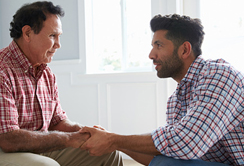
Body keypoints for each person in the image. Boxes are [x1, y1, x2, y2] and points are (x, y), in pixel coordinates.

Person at [0, 1, 122, 166]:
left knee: (108, 153)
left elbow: (57, 122)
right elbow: (8, 140)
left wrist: (86, 132)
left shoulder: (46, 73)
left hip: (35, 146)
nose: (58, 44)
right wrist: (70, 139)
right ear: (27, 33)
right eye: (53, 36)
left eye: (59, 36)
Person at [79, 14, 244, 166]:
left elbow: (186, 142)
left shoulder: (219, 75)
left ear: (185, 50)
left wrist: (113, 140)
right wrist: (111, 141)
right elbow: (169, 154)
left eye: (159, 45)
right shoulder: (176, 100)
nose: (151, 54)